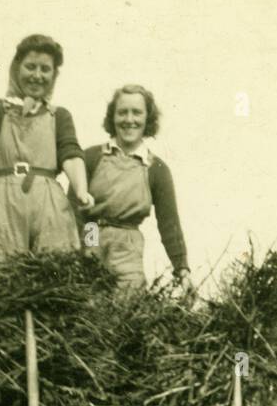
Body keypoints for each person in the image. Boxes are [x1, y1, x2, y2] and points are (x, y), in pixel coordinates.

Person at [0, 34, 94, 264]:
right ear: (17, 68)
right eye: (30, 67)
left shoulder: (60, 116)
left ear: (54, 75)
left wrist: (82, 190)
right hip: (2, 200)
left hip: (49, 203)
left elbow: (71, 154)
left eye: (45, 69)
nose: (37, 75)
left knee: (55, 271)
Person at [79, 84, 192, 291]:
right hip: (92, 237)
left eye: (137, 113)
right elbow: (76, 211)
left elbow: (169, 224)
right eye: (122, 112)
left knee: (127, 310)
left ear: (147, 118)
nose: (129, 120)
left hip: (128, 247)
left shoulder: (157, 169)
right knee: (87, 309)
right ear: (112, 117)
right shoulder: (91, 158)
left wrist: (182, 269)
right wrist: (89, 247)